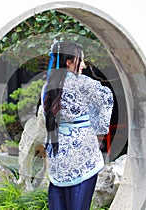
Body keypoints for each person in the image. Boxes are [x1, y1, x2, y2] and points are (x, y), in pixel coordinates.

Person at [42, 41, 114, 210]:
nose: (83, 65)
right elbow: (107, 98)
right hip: (83, 157)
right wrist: (98, 129)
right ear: (69, 62)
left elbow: (47, 118)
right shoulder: (84, 83)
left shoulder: (48, 86)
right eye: (80, 60)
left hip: (58, 156)